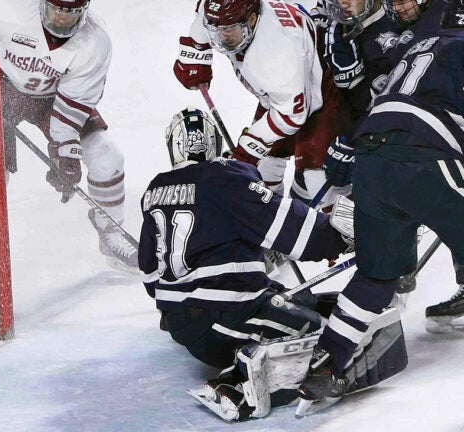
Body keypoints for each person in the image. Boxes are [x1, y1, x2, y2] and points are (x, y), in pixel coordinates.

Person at [138, 107, 362, 420]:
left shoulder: (154, 191)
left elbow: (150, 274)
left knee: (304, 299)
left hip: (183, 322)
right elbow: (292, 230)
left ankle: (241, 356)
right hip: (224, 317)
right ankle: (236, 384)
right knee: (313, 328)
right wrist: (341, 236)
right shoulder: (225, 178)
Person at [298, 0, 464, 413]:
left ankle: (326, 363)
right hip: (422, 152)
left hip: (370, 155)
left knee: (376, 275)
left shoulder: (422, 44)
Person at [0, 0, 137, 293]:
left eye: (69, 13)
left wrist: (66, 153)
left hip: (49, 96)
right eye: (55, 9)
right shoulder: (9, 7)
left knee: (106, 156)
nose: (59, 18)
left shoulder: (94, 43)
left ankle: (111, 233)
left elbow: (72, 105)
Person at [321, 0, 464, 332]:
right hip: (394, 130)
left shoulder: (445, 13)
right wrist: (349, 135)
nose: (398, 7)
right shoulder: (368, 31)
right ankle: (388, 284)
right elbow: (358, 95)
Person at [172, 0, 351, 207]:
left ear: (252, 19)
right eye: (216, 28)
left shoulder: (274, 52)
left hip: (323, 92)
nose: (221, 36)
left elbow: (291, 115)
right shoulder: (225, 12)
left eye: (229, 29)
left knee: (318, 179)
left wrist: (245, 151)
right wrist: (196, 51)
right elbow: (204, 15)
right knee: (261, 169)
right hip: (283, 94)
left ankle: (342, 232)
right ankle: (267, 218)